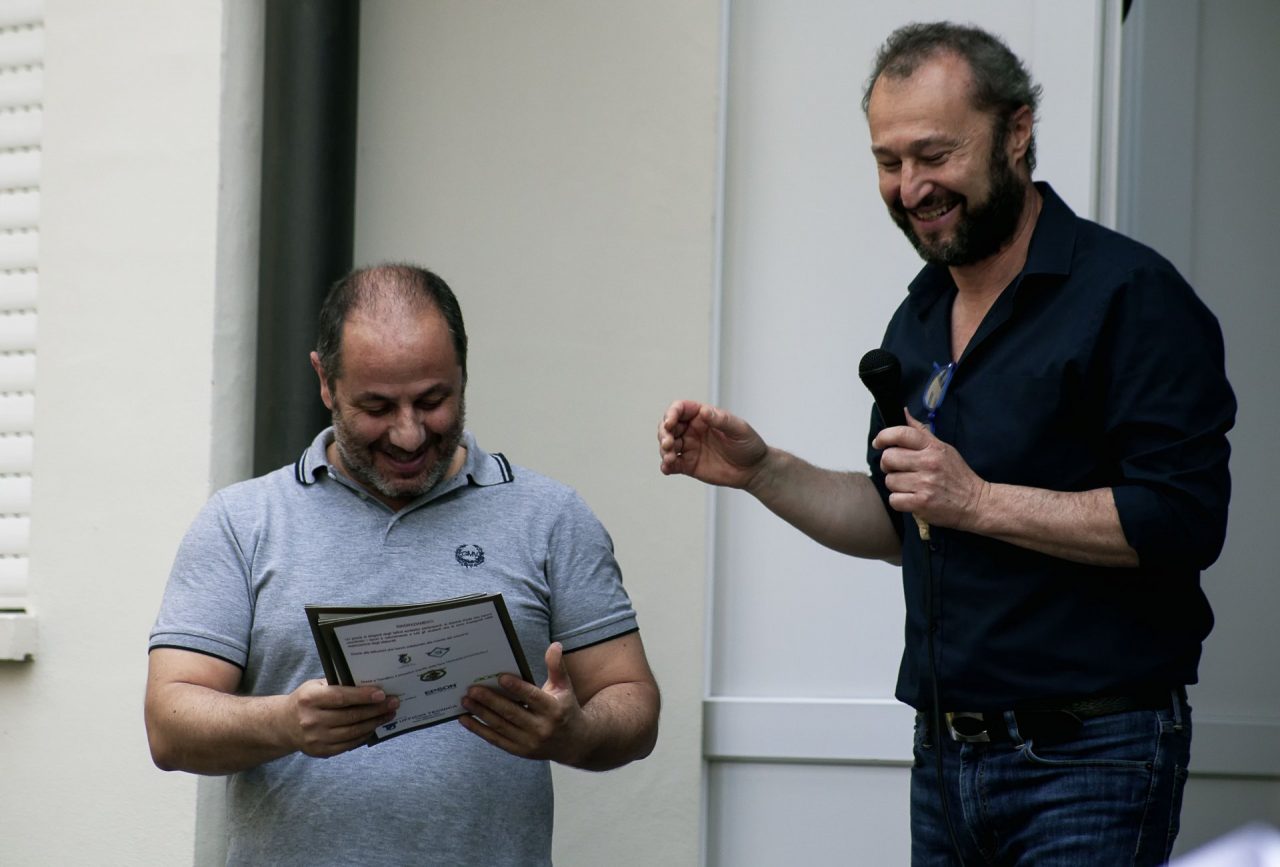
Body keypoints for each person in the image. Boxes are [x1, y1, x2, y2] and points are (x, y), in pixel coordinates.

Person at [658, 21, 1234, 867]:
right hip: (945, 757)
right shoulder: (920, 313)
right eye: (888, 162)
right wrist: (763, 471)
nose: (910, 187)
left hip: (1091, 755)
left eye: (934, 154)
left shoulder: (1131, 295)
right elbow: (906, 520)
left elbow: (1183, 518)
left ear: (1017, 132)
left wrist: (979, 499)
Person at [147, 263, 660, 866]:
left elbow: (633, 701)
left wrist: (577, 734)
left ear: (463, 373)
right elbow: (169, 724)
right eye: (377, 406)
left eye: (433, 401)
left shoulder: (551, 517)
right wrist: (284, 722)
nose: (410, 435)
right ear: (325, 382)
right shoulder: (242, 521)